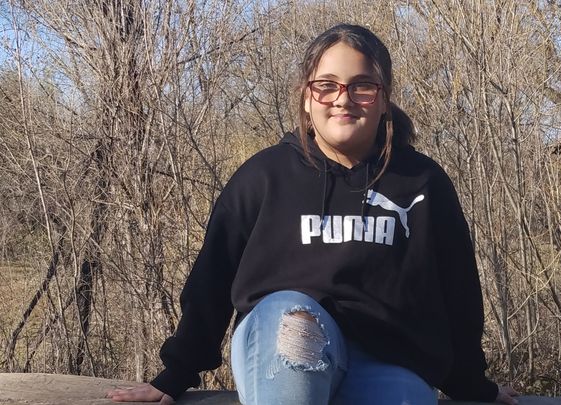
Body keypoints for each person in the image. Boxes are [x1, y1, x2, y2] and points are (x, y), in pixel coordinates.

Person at [107, 23, 519, 405]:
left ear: (384, 99)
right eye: (326, 85)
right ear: (306, 97)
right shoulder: (264, 177)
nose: (343, 99)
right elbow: (211, 278)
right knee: (295, 324)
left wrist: (471, 383)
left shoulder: (422, 182)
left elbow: (458, 291)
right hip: (286, 344)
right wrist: (176, 374)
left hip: (388, 360)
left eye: (362, 86)